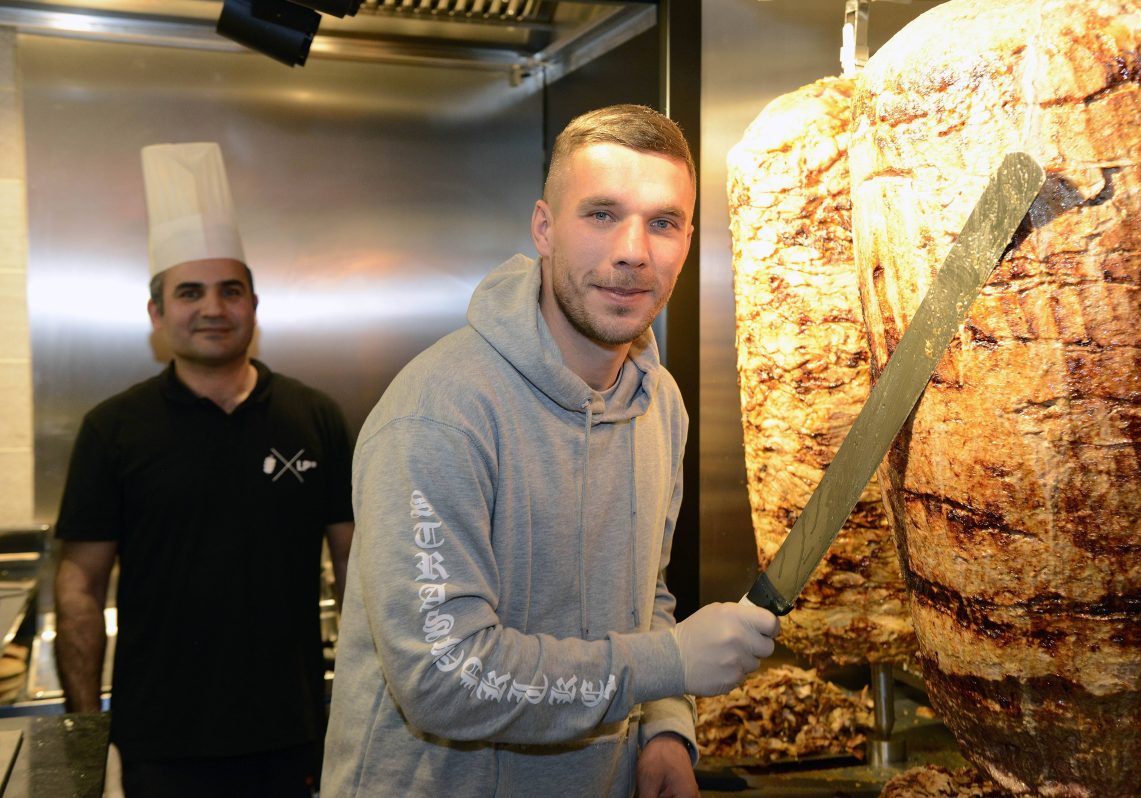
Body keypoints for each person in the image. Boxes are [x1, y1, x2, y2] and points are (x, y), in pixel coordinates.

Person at [322, 104, 779, 798]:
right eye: (601, 214)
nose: (633, 250)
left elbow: (644, 595)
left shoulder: (662, 406)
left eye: (664, 222)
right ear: (544, 228)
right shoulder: (440, 413)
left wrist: (663, 726)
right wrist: (666, 667)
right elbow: (445, 678)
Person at [53, 142, 355, 798]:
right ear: (157, 315)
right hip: (161, 739)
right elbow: (79, 587)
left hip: (292, 731)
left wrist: (360, 705)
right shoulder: (113, 428)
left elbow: (359, 571)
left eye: (230, 290)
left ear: (253, 303)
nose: (212, 309)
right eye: (189, 293)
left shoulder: (315, 417)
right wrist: (85, 727)